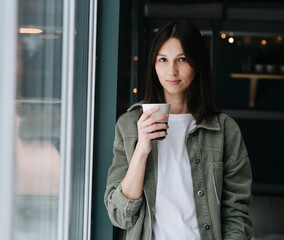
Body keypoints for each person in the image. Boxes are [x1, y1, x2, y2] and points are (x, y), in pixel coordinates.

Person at [104, 20, 253, 240]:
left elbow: (236, 214)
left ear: (197, 64)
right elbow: (119, 215)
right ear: (153, 66)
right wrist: (142, 148)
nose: (172, 71)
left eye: (182, 59)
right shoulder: (129, 126)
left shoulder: (224, 131)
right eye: (162, 60)